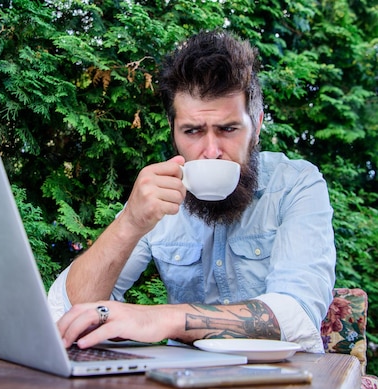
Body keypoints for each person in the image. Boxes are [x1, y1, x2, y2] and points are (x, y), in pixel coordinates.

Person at [47, 29, 336, 353]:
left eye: (228, 129)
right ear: (173, 133)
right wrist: (129, 222)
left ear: (256, 126)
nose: (211, 150)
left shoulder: (296, 185)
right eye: (193, 131)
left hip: (283, 385)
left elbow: (297, 314)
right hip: (181, 384)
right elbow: (64, 312)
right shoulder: (157, 194)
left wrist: (165, 320)